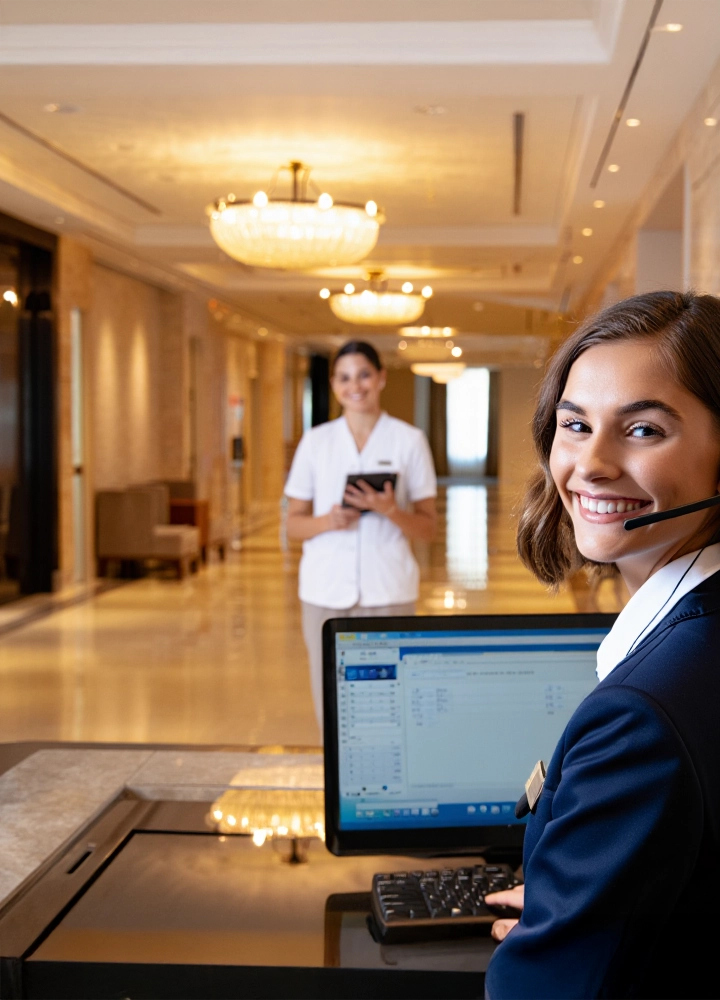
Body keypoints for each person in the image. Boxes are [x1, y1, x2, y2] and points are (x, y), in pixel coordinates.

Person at [483, 290, 720, 999]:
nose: (590, 464)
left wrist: (562, 933)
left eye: (643, 431)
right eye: (575, 425)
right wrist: (589, 898)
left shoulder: (641, 717)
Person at [284, 341, 437, 734]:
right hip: (324, 594)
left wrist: (390, 509)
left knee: (388, 703)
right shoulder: (316, 442)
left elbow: (428, 527)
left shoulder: (408, 440)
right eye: (345, 377)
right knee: (331, 701)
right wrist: (328, 521)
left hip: (388, 593)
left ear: (381, 377)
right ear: (334, 384)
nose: (356, 385)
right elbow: (292, 525)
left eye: (364, 374)